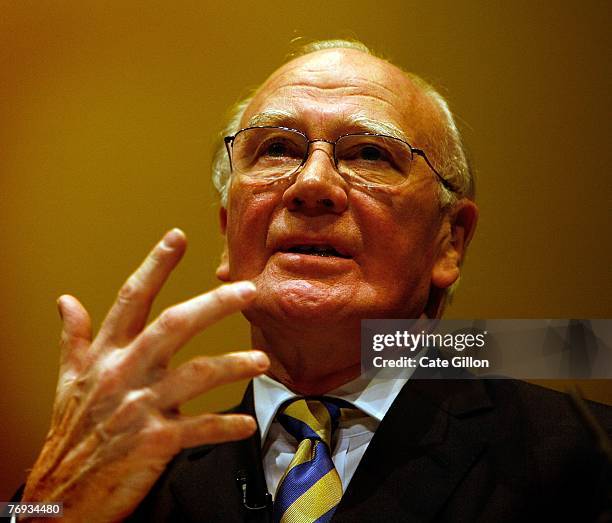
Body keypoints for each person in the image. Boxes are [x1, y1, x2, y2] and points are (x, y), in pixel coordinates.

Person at [16, 40, 610, 522]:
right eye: (276, 149)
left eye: (370, 154)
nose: (312, 184)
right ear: (229, 235)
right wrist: (45, 506)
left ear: (449, 241)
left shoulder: (584, 457)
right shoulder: (112, 478)